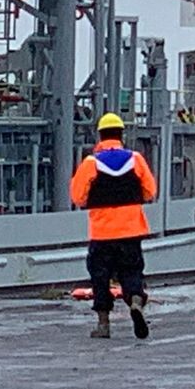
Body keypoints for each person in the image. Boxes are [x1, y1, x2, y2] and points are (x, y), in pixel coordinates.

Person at [69, 111, 158, 341]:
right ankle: (136, 302)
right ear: (121, 135)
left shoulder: (91, 163)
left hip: (102, 231)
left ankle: (103, 324)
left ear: (100, 136)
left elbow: (78, 196)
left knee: (100, 276)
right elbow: (150, 191)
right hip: (131, 229)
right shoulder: (136, 159)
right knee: (131, 271)